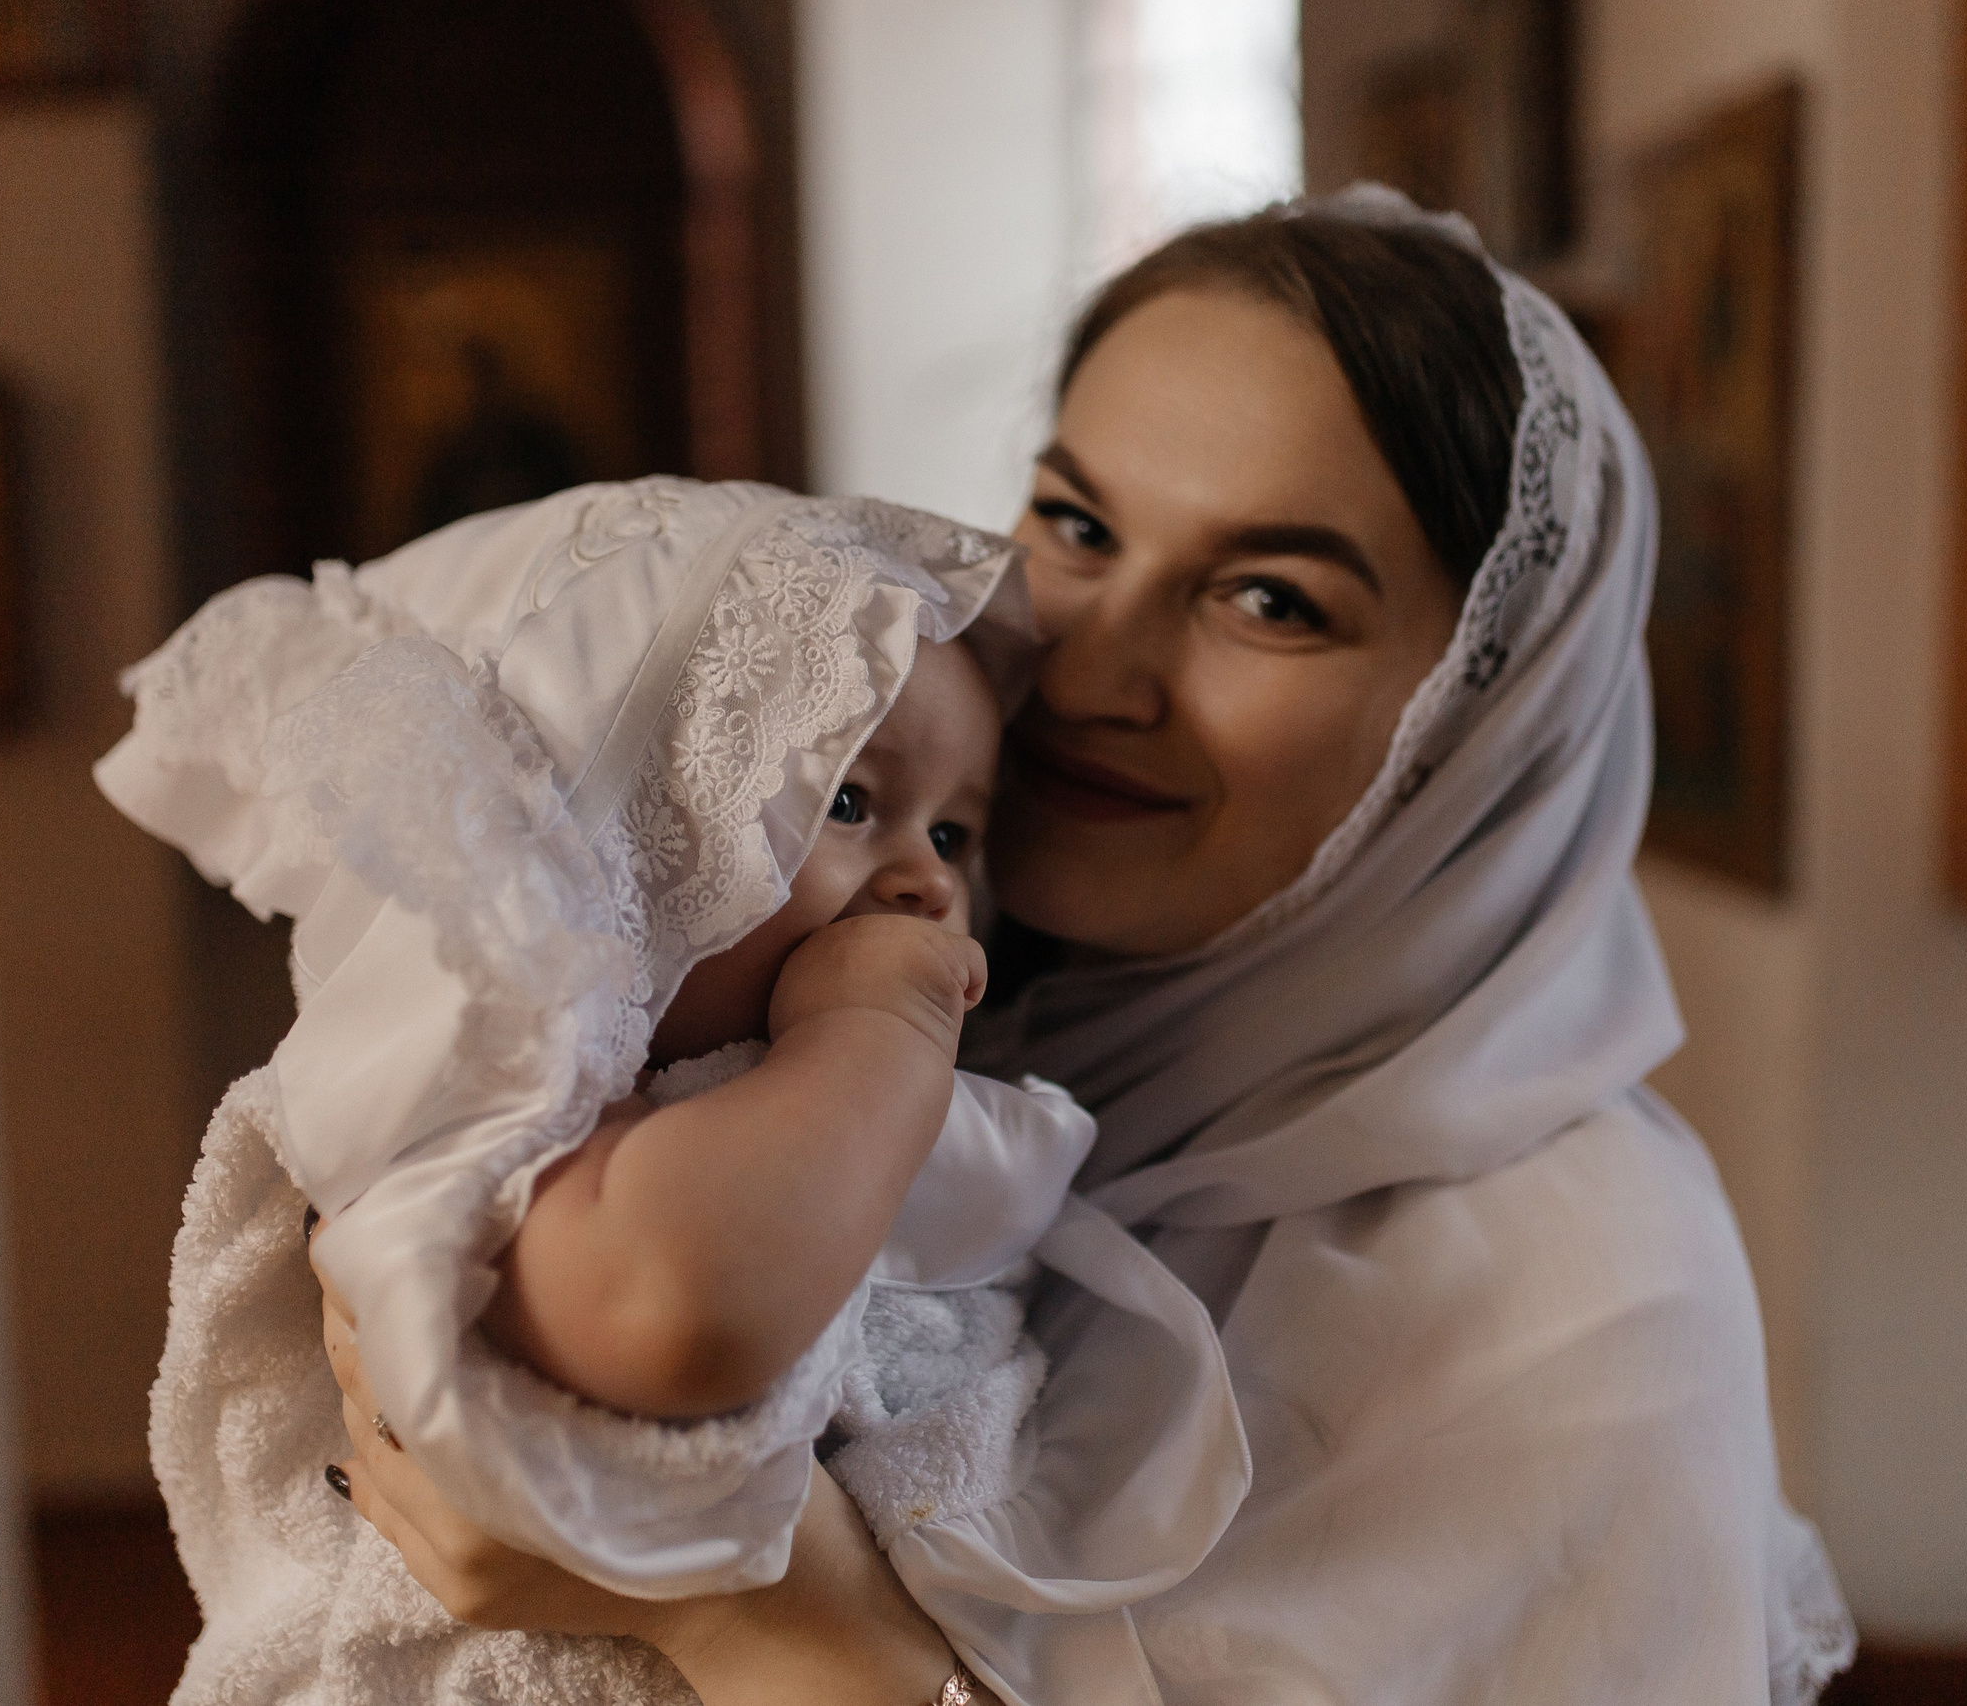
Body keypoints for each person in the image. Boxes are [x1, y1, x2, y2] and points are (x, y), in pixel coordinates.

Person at [317, 186, 1858, 1705]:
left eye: (1271, 598)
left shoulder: (1587, 1294)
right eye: (1075, 523)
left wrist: (746, 1619)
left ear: (1481, 731)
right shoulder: (887, 983)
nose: (1095, 661)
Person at [97, 479, 1245, 1704]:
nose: (923, 879)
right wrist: (876, 1026)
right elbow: (672, 1304)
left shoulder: (811, 1079)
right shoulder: (500, 1117)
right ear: (623, 845)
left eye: (955, 835)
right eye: (847, 802)